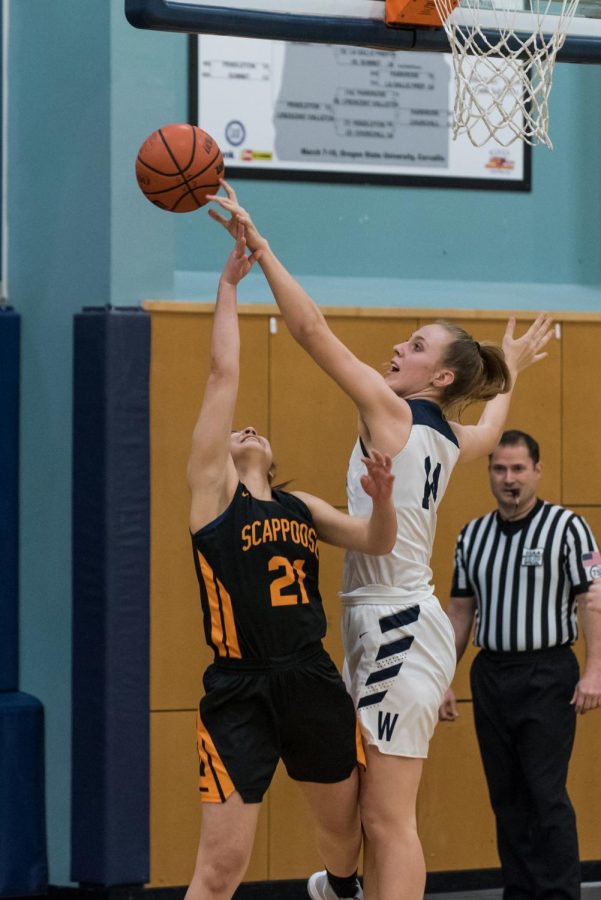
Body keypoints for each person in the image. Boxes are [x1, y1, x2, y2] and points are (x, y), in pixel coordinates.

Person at [206, 181, 553, 900]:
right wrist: (509, 371)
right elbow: (488, 430)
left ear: (441, 375)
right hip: (382, 619)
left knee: (388, 820)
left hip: (396, 620)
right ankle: (341, 886)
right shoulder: (448, 435)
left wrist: (261, 249)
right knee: (368, 812)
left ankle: (346, 886)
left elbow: (310, 334)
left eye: (416, 345)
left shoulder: (395, 414)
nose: (400, 346)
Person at [186, 226, 398, 900]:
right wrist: (226, 288)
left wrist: (385, 499)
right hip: (238, 690)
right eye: (235, 429)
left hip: (309, 676)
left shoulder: (299, 505)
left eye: (256, 430)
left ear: (272, 458)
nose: (243, 427)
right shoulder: (213, 498)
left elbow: (375, 541)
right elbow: (224, 374)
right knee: (222, 866)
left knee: (343, 836)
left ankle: (338, 888)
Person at [439, 429, 601, 900]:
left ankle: (558, 895)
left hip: (547, 674)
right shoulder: (472, 536)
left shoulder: (568, 528)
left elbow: (592, 601)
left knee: (545, 794)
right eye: (500, 469)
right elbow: (460, 612)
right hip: (491, 675)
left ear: (537, 471)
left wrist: (594, 671)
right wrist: (441, 679)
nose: (509, 479)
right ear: (489, 473)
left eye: (518, 469)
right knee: (506, 798)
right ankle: (520, 892)